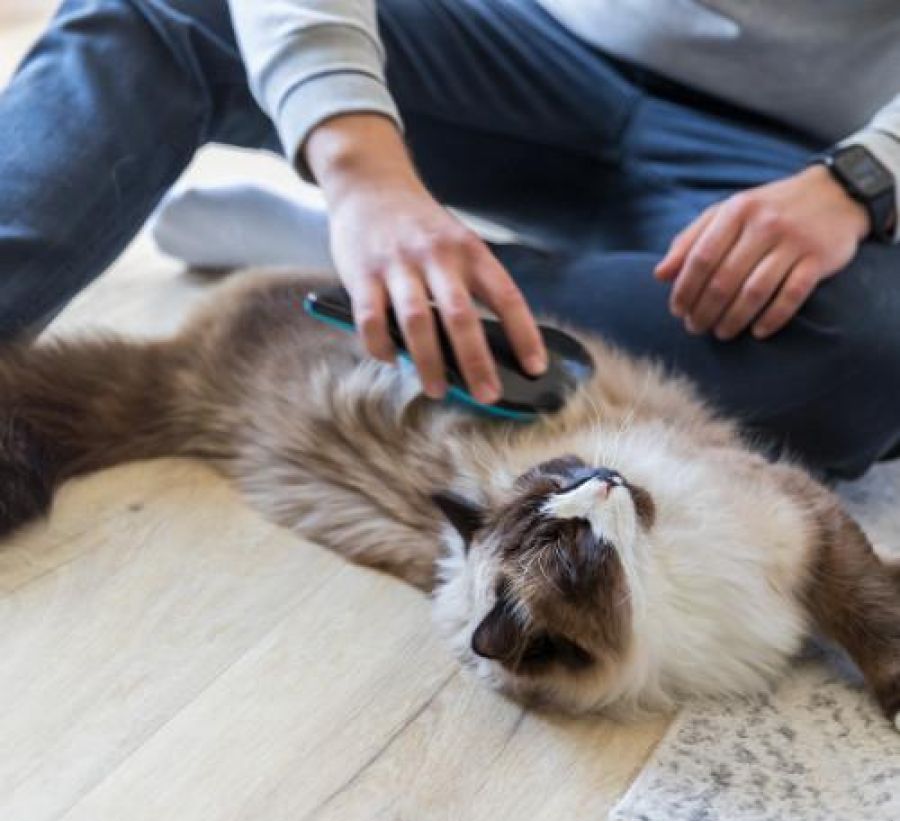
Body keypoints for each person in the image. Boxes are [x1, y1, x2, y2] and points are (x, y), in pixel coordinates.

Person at [1, 0, 898, 479]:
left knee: (865, 351)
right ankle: (369, 237)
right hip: (531, 40)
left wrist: (866, 177)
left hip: (805, 157)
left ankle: (339, 260)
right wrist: (362, 168)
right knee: (155, 9)